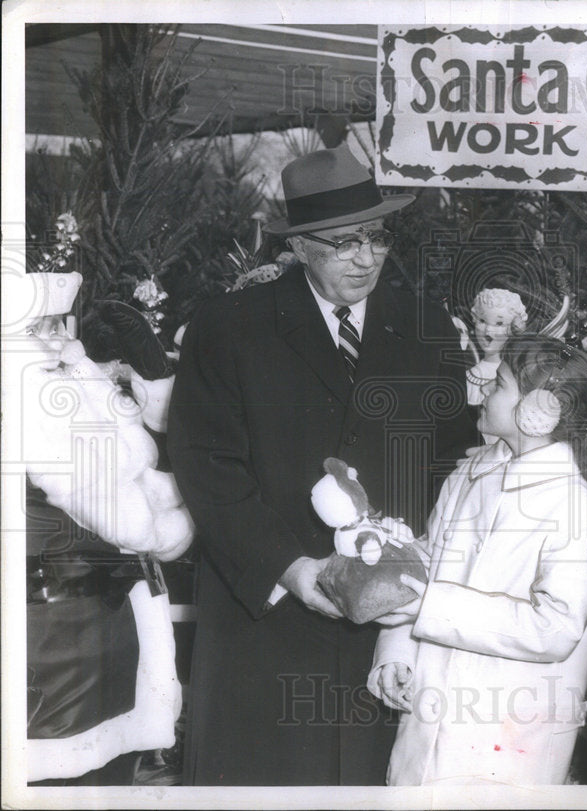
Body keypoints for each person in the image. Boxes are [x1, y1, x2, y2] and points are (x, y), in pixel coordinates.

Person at [167, 144, 478, 786]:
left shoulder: (425, 327)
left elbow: (450, 464)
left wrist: (411, 573)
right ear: (301, 247)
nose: (366, 257)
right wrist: (293, 568)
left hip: (384, 634)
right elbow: (207, 466)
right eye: (343, 243)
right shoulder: (230, 327)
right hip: (266, 621)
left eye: (376, 237)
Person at [368, 336, 587, 785]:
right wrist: (396, 653)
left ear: (539, 410)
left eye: (497, 384)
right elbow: (421, 568)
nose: (477, 392)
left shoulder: (572, 503)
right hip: (427, 724)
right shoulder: (467, 475)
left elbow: (556, 628)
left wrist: (433, 609)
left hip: (508, 740)